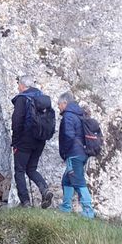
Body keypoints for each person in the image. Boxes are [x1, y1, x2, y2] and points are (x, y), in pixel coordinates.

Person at [11, 74, 54, 208]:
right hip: (40, 140)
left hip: (24, 141)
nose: (18, 87)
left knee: (19, 170)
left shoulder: (22, 99)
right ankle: (45, 190)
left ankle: (25, 202)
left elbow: (17, 122)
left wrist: (15, 142)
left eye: (18, 84)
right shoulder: (41, 98)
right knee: (31, 169)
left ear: (22, 85)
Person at [57, 92, 95, 218]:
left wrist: (64, 152)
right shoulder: (80, 114)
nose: (58, 107)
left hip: (74, 154)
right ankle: (66, 207)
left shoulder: (68, 116)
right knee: (67, 180)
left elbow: (68, 136)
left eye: (59, 104)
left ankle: (88, 211)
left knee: (78, 181)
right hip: (82, 152)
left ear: (65, 103)